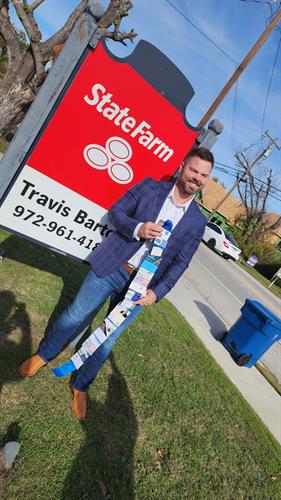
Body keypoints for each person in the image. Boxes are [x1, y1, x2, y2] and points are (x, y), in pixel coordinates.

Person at [18, 147, 214, 420]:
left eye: (203, 175)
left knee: (108, 340)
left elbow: (181, 262)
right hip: (113, 267)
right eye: (194, 170)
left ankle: (81, 385)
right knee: (75, 314)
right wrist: (138, 228)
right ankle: (44, 355)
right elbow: (117, 211)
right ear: (182, 166)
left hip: (142, 287)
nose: (197, 178)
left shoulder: (196, 222)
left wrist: (157, 293)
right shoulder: (150, 187)